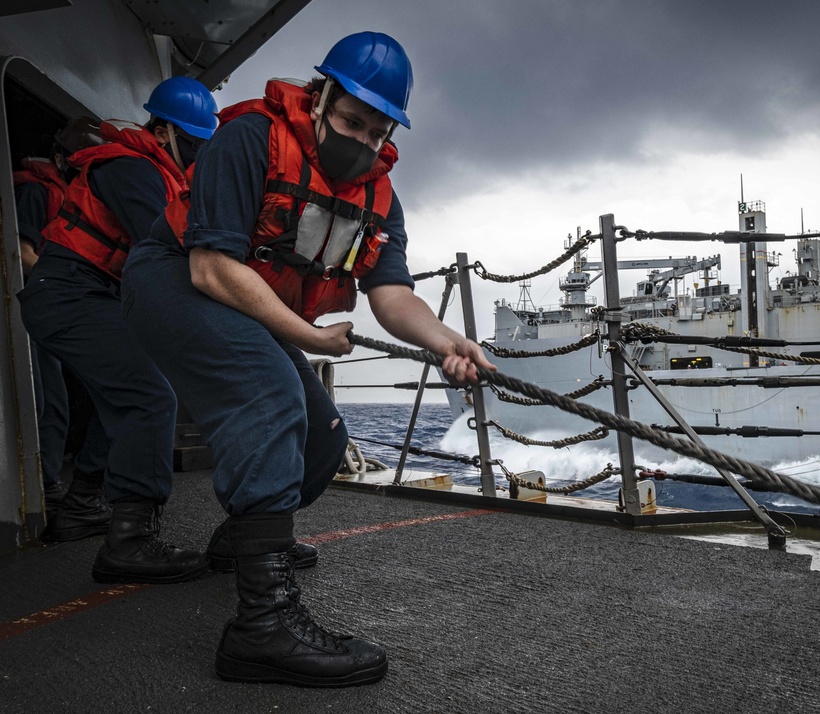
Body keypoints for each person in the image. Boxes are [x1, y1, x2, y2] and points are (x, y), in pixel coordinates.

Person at [121, 31, 495, 687]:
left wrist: (445, 342)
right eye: (353, 121)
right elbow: (211, 268)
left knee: (322, 439)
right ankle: (260, 628)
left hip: (248, 306)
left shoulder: (378, 201)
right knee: (272, 396)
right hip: (173, 282)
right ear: (319, 99)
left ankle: (243, 542)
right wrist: (310, 336)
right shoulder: (250, 140)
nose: (364, 142)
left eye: (379, 132)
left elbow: (391, 294)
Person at [18, 76, 219, 582]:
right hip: (66, 294)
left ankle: (85, 503)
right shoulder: (131, 169)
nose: (194, 153)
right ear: (165, 130)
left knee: (130, 396)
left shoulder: (159, 175)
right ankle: (129, 543)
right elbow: (169, 248)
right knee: (149, 397)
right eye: (191, 142)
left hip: (93, 296)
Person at [13, 117, 105, 519]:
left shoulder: (70, 195)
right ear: (59, 157)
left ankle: (50, 478)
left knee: (61, 398)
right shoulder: (35, 191)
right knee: (44, 398)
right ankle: (44, 485)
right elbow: (22, 254)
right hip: (29, 303)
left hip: (54, 299)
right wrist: (74, 277)